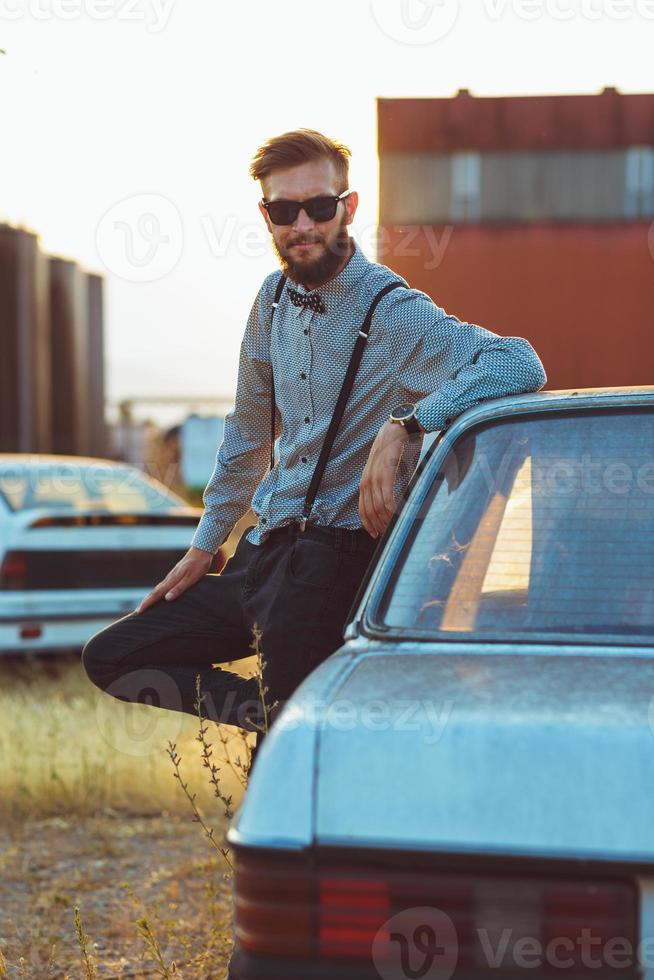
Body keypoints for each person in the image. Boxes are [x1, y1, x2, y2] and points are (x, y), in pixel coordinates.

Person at [82, 128, 546, 751]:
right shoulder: (270, 301)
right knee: (115, 655)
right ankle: (284, 717)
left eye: (318, 207)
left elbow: (520, 364)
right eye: (283, 210)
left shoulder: (392, 310)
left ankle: (294, 731)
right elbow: (247, 435)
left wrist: (409, 423)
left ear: (347, 208)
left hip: (327, 568)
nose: (302, 224)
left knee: (301, 755)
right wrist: (204, 545)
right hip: (258, 557)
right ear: (266, 216)